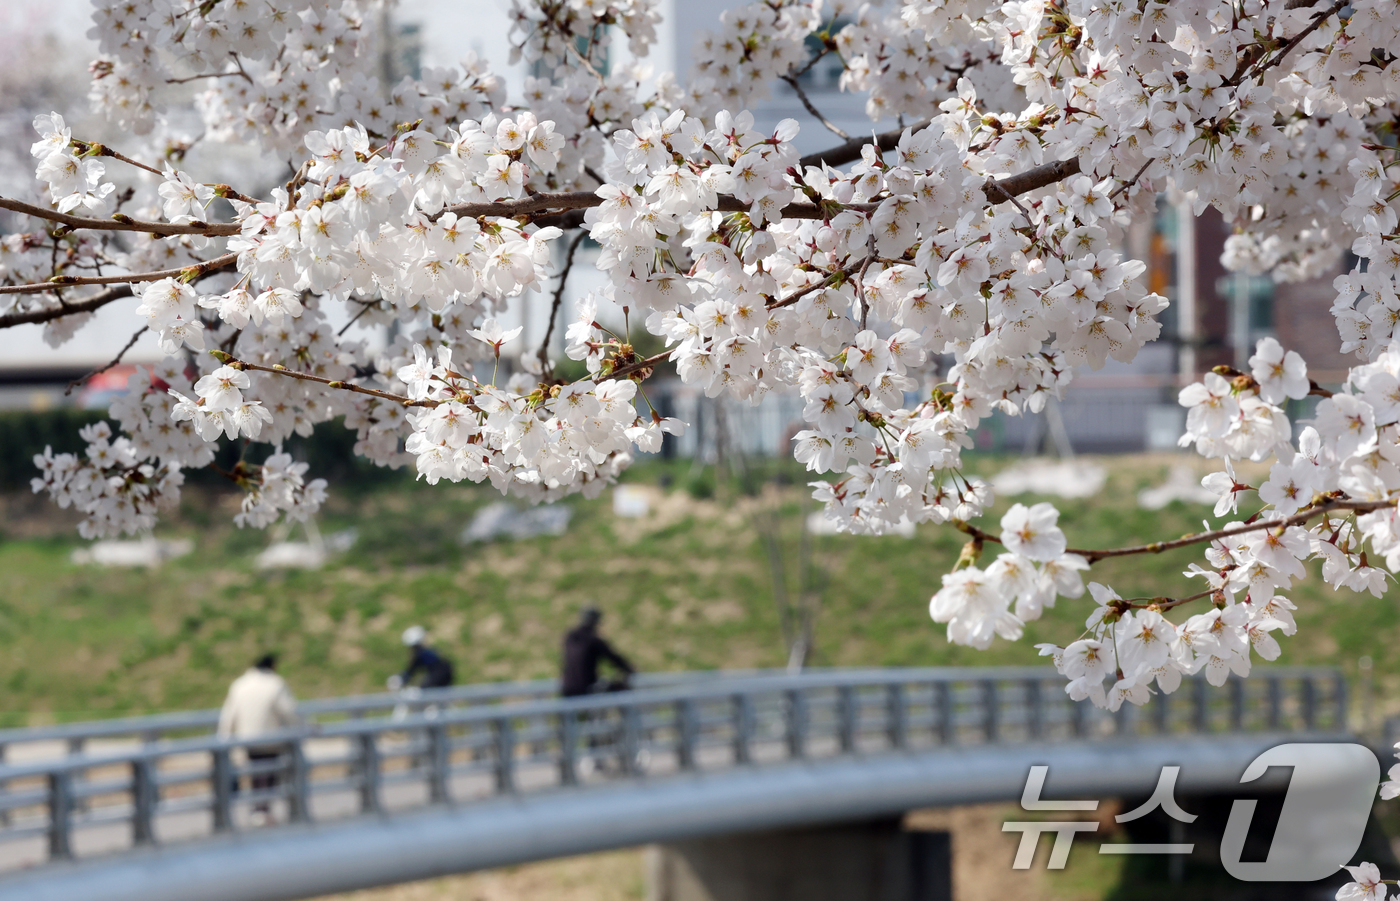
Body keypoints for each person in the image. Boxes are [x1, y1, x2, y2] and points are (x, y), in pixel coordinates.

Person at [217, 653, 300, 826]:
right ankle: (263, 810)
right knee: (270, 774)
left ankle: (258, 809)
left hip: (246, 739)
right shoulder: (275, 684)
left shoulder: (240, 684)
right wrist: (301, 727)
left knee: (256, 773)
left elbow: (229, 714)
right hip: (271, 739)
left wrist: (224, 736)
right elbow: (288, 711)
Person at [561, 607, 634, 697]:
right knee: (621, 688)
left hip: (567, 690)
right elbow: (614, 658)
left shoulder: (570, 637)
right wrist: (630, 668)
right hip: (586, 690)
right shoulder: (593, 640)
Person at [388, 625, 454, 691]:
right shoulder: (427, 651)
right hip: (445, 670)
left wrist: (402, 678)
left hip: (439, 673)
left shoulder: (420, 653)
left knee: (423, 691)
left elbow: (412, 669)